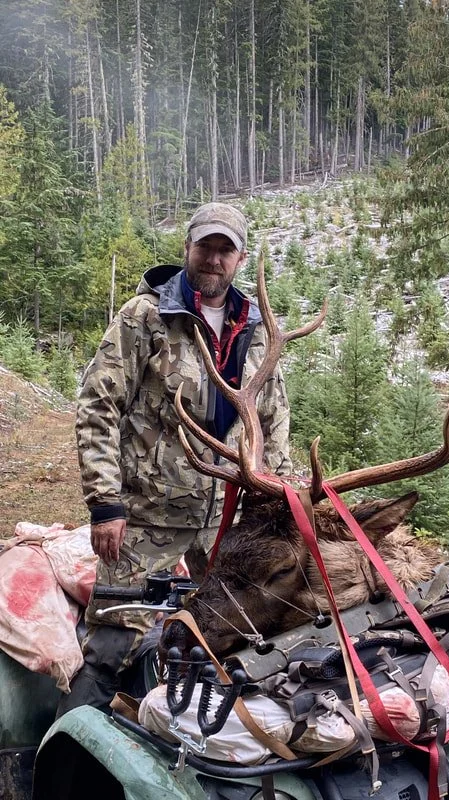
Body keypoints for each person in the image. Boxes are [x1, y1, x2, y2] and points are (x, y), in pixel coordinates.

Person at [58, 202, 291, 715]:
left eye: (224, 249)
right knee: (111, 650)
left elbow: (273, 423)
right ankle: (62, 757)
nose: (213, 258)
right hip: (145, 515)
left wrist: (272, 510)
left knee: (233, 642)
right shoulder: (145, 318)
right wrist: (105, 504)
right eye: (205, 245)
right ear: (187, 247)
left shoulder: (255, 328)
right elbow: (98, 406)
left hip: (226, 523)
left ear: (240, 258)